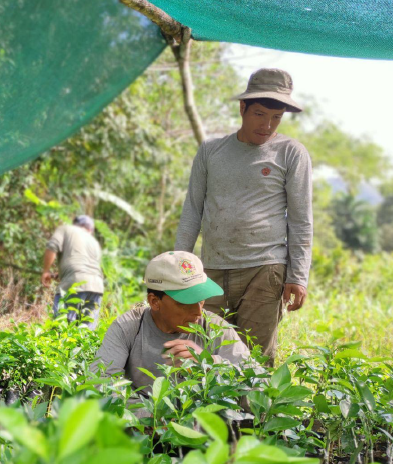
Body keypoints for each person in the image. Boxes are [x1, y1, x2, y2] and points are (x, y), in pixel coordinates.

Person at [174, 68, 312, 366]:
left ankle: (254, 414)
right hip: (211, 269)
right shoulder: (211, 151)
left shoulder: (291, 153)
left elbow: (301, 220)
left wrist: (298, 276)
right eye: (260, 114)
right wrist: (181, 267)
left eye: (276, 117)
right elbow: (193, 210)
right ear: (242, 108)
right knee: (203, 351)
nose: (268, 125)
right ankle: (209, 414)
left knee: (254, 357)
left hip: (265, 269)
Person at [92, 251, 250, 390]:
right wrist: (151, 416)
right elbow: (99, 383)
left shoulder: (214, 327)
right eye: (186, 302)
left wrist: (209, 363)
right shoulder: (128, 328)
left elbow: (255, 376)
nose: (198, 312)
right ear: (154, 301)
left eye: (201, 299)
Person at [41, 215, 104, 328]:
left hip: (75, 283)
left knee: (62, 328)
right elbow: (86, 267)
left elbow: (52, 246)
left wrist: (46, 271)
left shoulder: (66, 229)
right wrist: (59, 275)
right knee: (86, 333)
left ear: (75, 224)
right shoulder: (94, 242)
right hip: (97, 287)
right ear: (90, 229)